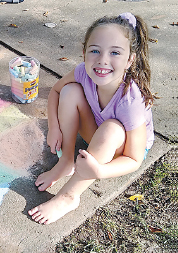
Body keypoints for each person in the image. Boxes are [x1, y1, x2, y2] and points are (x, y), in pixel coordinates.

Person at [28, 13, 156, 225]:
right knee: (70, 91)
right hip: (97, 131)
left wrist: (100, 171)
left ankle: (69, 197)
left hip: (123, 150)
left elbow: (135, 159)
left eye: (115, 52)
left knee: (112, 129)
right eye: (95, 50)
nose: (103, 60)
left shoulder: (131, 100)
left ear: (130, 60)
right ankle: (66, 160)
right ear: (84, 53)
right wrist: (54, 128)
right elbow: (56, 92)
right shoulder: (83, 72)